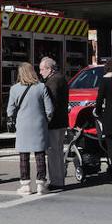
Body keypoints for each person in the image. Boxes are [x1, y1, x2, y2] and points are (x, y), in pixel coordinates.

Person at [8, 62, 54, 195]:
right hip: (39, 124)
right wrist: (46, 120)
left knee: (24, 155)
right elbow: (49, 109)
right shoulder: (41, 87)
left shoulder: (14, 89)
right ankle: (41, 185)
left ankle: (26, 185)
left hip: (23, 125)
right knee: (40, 154)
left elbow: (10, 110)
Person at [40, 57, 69, 190]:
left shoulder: (52, 82)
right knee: (58, 152)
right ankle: (60, 179)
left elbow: (51, 104)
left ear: (49, 69)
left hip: (54, 123)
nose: (40, 72)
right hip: (62, 121)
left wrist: (46, 119)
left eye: (42, 69)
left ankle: (56, 181)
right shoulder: (61, 78)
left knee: (53, 153)